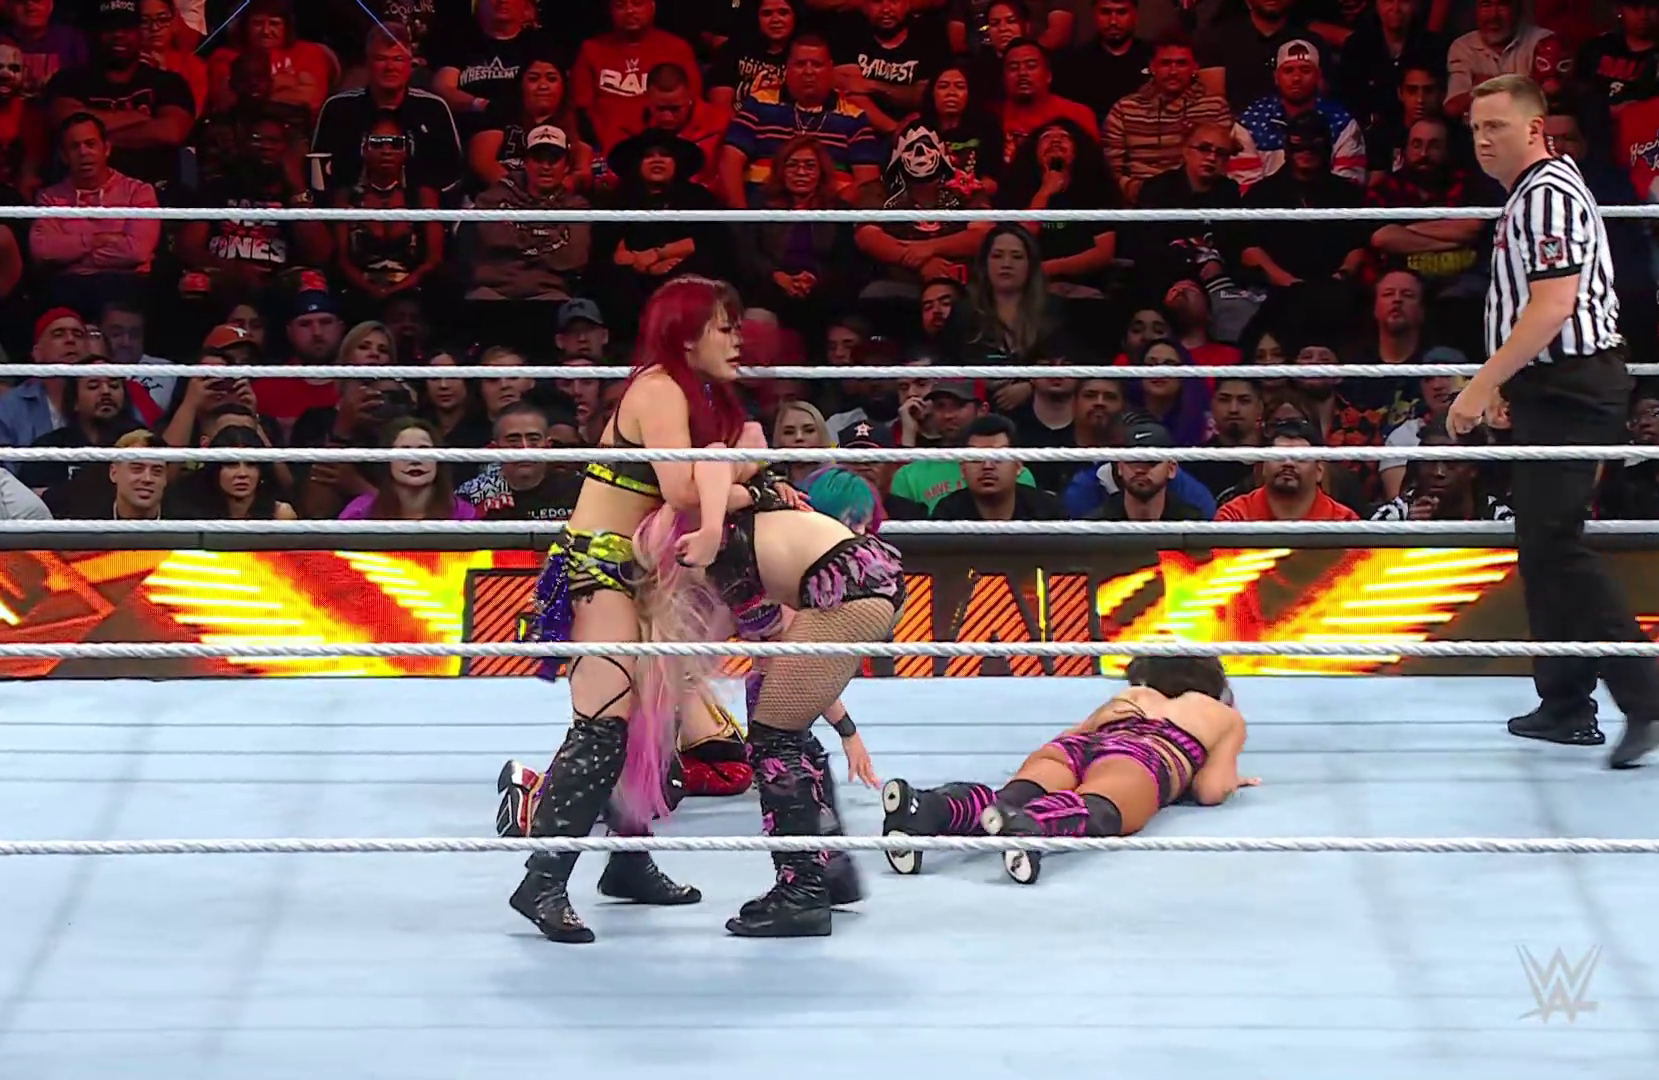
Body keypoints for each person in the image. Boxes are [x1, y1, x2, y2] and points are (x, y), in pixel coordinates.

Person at [509, 276, 799, 944]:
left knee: (654, 725)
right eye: (724, 327)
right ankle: (541, 881)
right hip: (599, 568)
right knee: (604, 725)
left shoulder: (702, 395)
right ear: (685, 335)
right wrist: (749, 470)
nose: (738, 339)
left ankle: (628, 864)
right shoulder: (661, 389)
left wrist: (738, 465)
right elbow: (685, 489)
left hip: (646, 571)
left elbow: (721, 471)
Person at [1448, 73, 1659, 767]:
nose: (1482, 140)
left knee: (1557, 543)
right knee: (1540, 542)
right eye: (1475, 129)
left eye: (1495, 126)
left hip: (1575, 387)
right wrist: (1509, 381)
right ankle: (1564, 702)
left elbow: (1554, 305)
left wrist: (1481, 384)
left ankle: (1653, 702)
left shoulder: (1547, 194)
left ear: (1535, 128)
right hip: (1548, 385)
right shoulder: (1529, 194)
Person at [626, 466, 905, 936]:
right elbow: (776, 655)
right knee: (784, 728)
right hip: (862, 580)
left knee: (774, 739)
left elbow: (714, 466)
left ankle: (801, 892)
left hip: (850, 586)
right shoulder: (744, 555)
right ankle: (830, 871)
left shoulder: (714, 541)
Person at [880, 657, 1255, 884]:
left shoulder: (1133, 696)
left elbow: (1072, 736)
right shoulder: (1220, 715)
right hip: (1144, 753)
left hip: (1078, 746)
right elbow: (1210, 790)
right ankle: (1032, 826)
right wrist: (1229, 779)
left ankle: (927, 808)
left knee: (1007, 799)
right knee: (1098, 806)